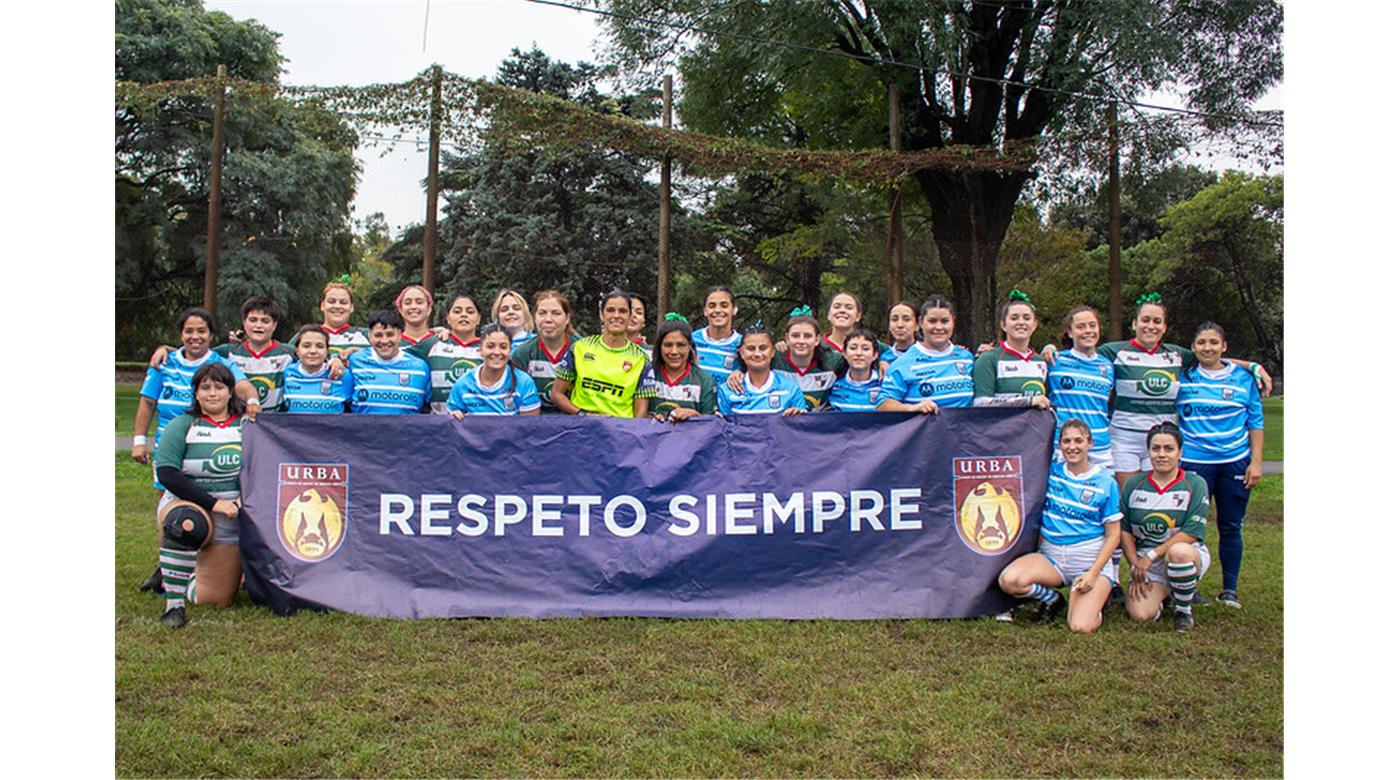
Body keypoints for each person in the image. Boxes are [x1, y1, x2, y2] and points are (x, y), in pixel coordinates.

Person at [1043, 292, 1271, 488]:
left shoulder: (1176, 354)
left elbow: (1210, 356)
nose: (1150, 326)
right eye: (1145, 320)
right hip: (1124, 439)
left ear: (1164, 327)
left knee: (1155, 501)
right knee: (1127, 501)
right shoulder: (1113, 352)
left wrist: (1252, 366)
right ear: (1134, 323)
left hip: (1161, 441)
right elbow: (1083, 354)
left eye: (1157, 321)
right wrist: (1051, 348)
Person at [132, 308, 258, 593]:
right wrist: (139, 439)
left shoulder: (220, 363)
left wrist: (251, 399)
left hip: (215, 438)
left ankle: (206, 568)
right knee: (174, 511)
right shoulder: (164, 362)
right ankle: (166, 569)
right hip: (173, 444)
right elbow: (147, 402)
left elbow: (242, 385)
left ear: (211, 335)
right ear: (180, 335)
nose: (195, 336)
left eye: (201, 331)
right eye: (188, 331)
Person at [996, 420, 1122, 632]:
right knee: (1009, 581)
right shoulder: (1050, 473)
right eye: (1066, 441)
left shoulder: (1106, 482)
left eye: (1078, 441)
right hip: (1052, 555)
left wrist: (1092, 572)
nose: (1072, 446)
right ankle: (1053, 599)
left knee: (1080, 626)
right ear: (1059, 444)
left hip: (1088, 558)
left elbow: (1113, 535)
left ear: (1090, 443)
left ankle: (1098, 598)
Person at [1176, 322, 1264, 609]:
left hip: (1233, 462)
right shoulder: (1184, 376)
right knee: (1189, 529)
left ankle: (1229, 590)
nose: (1208, 348)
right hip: (1194, 464)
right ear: (1193, 347)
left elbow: (1256, 420)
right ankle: (1190, 588)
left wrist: (1257, 462)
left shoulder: (1242, 378)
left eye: (1214, 342)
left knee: (1230, 526)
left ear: (1224, 347)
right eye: (1201, 342)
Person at [153, 362, 248, 628]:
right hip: (191, 506)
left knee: (215, 600)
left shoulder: (247, 426)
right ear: (195, 393)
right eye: (204, 388)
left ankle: (178, 572)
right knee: (186, 522)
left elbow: (262, 466)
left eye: (219, 387)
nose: (212, 393)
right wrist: (215, 503)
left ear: (231, 392)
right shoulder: (182, 425)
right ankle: (174, 605)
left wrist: (243, 499)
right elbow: (168, 474)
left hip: (231, 518)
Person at [1121, 422, 1213, 634]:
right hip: (1147, 562)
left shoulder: (1195, 484)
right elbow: (1124, 530)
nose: (1161, 454)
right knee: (1141, 615)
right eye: (1155, 449)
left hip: (1185, 554)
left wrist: (1151, 555)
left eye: (1168, 449)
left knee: (1178, 552)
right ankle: (1171, 592)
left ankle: (1183, 610)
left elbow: (1191, 533)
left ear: (1180, 451)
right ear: (1149, 452)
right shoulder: (1134, 485)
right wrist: (1136, 566)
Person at [552, 291, 656, 417]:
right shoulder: (580, 348)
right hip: (581, 429)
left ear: (629, 316)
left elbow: (641, 413)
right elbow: (557, 394)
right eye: (610, 310)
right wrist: (583, 414)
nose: (616, 315)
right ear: (602, 314)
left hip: (619, 432)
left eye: (622, 311)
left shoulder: (641, 358)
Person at [876, 295, 976, 414]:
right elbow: (883, 405)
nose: (938, 327)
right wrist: (913, 408)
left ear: (953, 322)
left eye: (945, 321)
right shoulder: (903, 363)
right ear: (920, 323)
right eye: (932, 321)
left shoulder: (967, 358)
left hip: (963, 431)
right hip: (924, 432)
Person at [1047, 306, 1115, 468]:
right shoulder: (1054, 360)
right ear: (1070, 332)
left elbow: (1105, 405)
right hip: (1066, 446)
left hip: (1099, 445)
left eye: (1092, 325)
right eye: (1080, 327)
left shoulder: (1108, 366)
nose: (1088, 331)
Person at [209, 295, 296, 412]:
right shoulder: (227, 353)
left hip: (275, 425)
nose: (258, 325)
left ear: (274, 325)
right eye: (253, 320)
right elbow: (199, 357)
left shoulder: (289, 353)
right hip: (238, 423)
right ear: (244, 323)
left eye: (265, 321)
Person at [972, 290, 1052, 410]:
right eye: (1014, 318)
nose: (1021, 322)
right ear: (1003, 325)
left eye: (1026, 318)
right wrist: (1028, 401)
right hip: (1001, 428)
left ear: (1034, 324)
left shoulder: (1041, 361)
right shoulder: (988, 359)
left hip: (1034, 428)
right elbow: (981, 403)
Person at [347, 309, 431, 414]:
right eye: (378, 335)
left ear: (400, 335)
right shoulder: (355, 361)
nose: (384, 341)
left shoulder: (420, 368)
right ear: (370, 336)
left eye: (390, 334)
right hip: (364, 430)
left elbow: (430, 408)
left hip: (407, 430)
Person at [412, 292, 484, 415]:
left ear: (478, 319)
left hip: (478, 425)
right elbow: (396, 354)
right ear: (448, 318)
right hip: (439, 425)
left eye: (470, 311)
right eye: (457, 311)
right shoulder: (432, 344)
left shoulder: (489, 348)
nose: (463, 315)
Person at [446, 324, 541, 417]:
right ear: (480, 349)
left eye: (503, 347)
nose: (496, 352)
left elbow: (530, 427)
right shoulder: (463, 384)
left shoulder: (524, 383)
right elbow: (452, 424)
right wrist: (454, 416)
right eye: (490, 346)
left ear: (510, 350)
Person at [763, 306, 845, 410]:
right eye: (795, 336)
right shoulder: (774, 359)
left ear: (817, 339)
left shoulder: (833, 361)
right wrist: (737, 373)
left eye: (807, 336)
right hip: (783, 423)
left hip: (819, 423)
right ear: (787, 338)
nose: (801, 341)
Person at [716, 324, 807, 416]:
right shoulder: (727, 390)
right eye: (750, 348)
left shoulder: (791, 388)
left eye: (763, 348)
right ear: (741, 353)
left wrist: (798, 416)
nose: (757, 354)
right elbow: (724, 428)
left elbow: (801, 428)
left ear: (772, 351)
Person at [642, 313, 718, 422]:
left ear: (690, 347)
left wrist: (694, 415)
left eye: (681, 345)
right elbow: (638, 417)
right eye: (668, 345)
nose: (674, 352)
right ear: (659, 347)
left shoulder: (704, 380)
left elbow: (711, 423)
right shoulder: (648, 375)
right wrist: (651, 419)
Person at [510, 289, 575, 414]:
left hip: (575, 424)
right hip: (535, 425)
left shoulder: (581, 349)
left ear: (567, 318)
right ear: (534, 317)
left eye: (556, 313)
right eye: (542, 313)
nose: (548, 319)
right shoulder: (522, 353)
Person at [282, 325, 352, 413]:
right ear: (297, 351)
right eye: (306, 346)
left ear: (327, 351)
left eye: (319, 346)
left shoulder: (342, 375)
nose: (313, 351)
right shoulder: (288, 373)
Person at [691, 286, 742, 382]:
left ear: (734, 309)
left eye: (724, 305)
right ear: (705, 311)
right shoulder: (691, 339)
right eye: (712, 306)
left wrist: (742, 372)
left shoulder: (744, 344)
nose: (717, 310)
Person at [826, 328, 884, 412]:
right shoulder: (833, 387)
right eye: (853, 348)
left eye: (865, 349)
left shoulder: (885, 385)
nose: (859, 353)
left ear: (875, 355)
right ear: (844, 353)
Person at [316, 276, 370, 356]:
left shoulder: (367, 335)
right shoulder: (307, 335)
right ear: (322, 305)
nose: (337, 306)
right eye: (331, 301)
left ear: (351, 307)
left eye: (343, 302)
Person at [821, 291, 862, 355]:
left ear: (858, 316)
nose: (842, 310)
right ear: (828, 315)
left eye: (849, 308)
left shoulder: (871, 346)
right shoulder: (816, 347)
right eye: (837, 307)